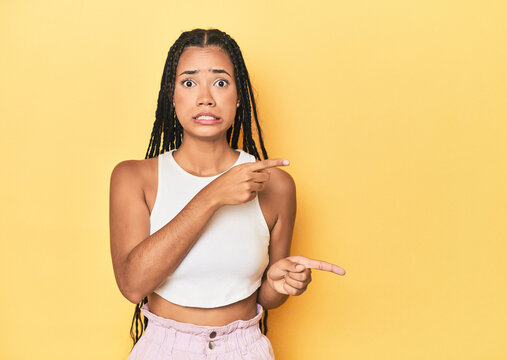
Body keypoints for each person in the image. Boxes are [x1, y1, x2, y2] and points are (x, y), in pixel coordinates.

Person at [109, 28, 346, 359]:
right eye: (189, 82)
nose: (205, 97)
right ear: (171, 95)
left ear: (238, 96)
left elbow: (265, 297)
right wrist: (214, 194)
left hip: (244, 348)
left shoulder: (275, 185)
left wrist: (279, 286)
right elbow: (133, 285)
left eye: (220, 82)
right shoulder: (134, 177)